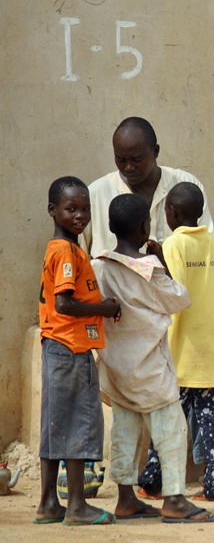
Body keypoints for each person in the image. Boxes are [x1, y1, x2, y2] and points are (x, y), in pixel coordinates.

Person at [85, 117, 214, 480]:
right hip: (131, 311)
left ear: (156, 152)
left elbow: (208, 250)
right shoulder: (97, 194)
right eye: (121, 160)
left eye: (137, 159)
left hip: (190, 301)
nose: (129, 169)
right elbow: (84, 260)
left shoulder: (186, 186)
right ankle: (155, 473)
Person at [92, 194, 214, 523]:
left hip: (116, 369)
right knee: (171, 431)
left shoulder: (99, 267)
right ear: (145, 227)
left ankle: (125, 498)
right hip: (150, 370)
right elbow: (179, 299)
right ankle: (175, 499)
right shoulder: (149, 271)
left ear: (110, 227)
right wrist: (161, 260)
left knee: (124, 432)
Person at [137, 183, 214, 502]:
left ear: (172, 213)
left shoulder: (174, 244)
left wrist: (157, 256)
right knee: (213, 421)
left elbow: (174, 292)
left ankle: (156, 482)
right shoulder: (212, 242)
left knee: (168, 419)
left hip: (180, 351)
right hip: (209, 349)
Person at [35, 177, 121, 526]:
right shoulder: (67, 252)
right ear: (53, 211)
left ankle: (47, 504)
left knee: (55, 426)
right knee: (79, 425)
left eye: (85, 208)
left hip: (55, 345)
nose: (80, 215)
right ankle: (77, 506)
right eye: (71, 209)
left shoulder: (60, 248)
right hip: (71, 346)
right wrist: (104, 308)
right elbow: (65, 303)